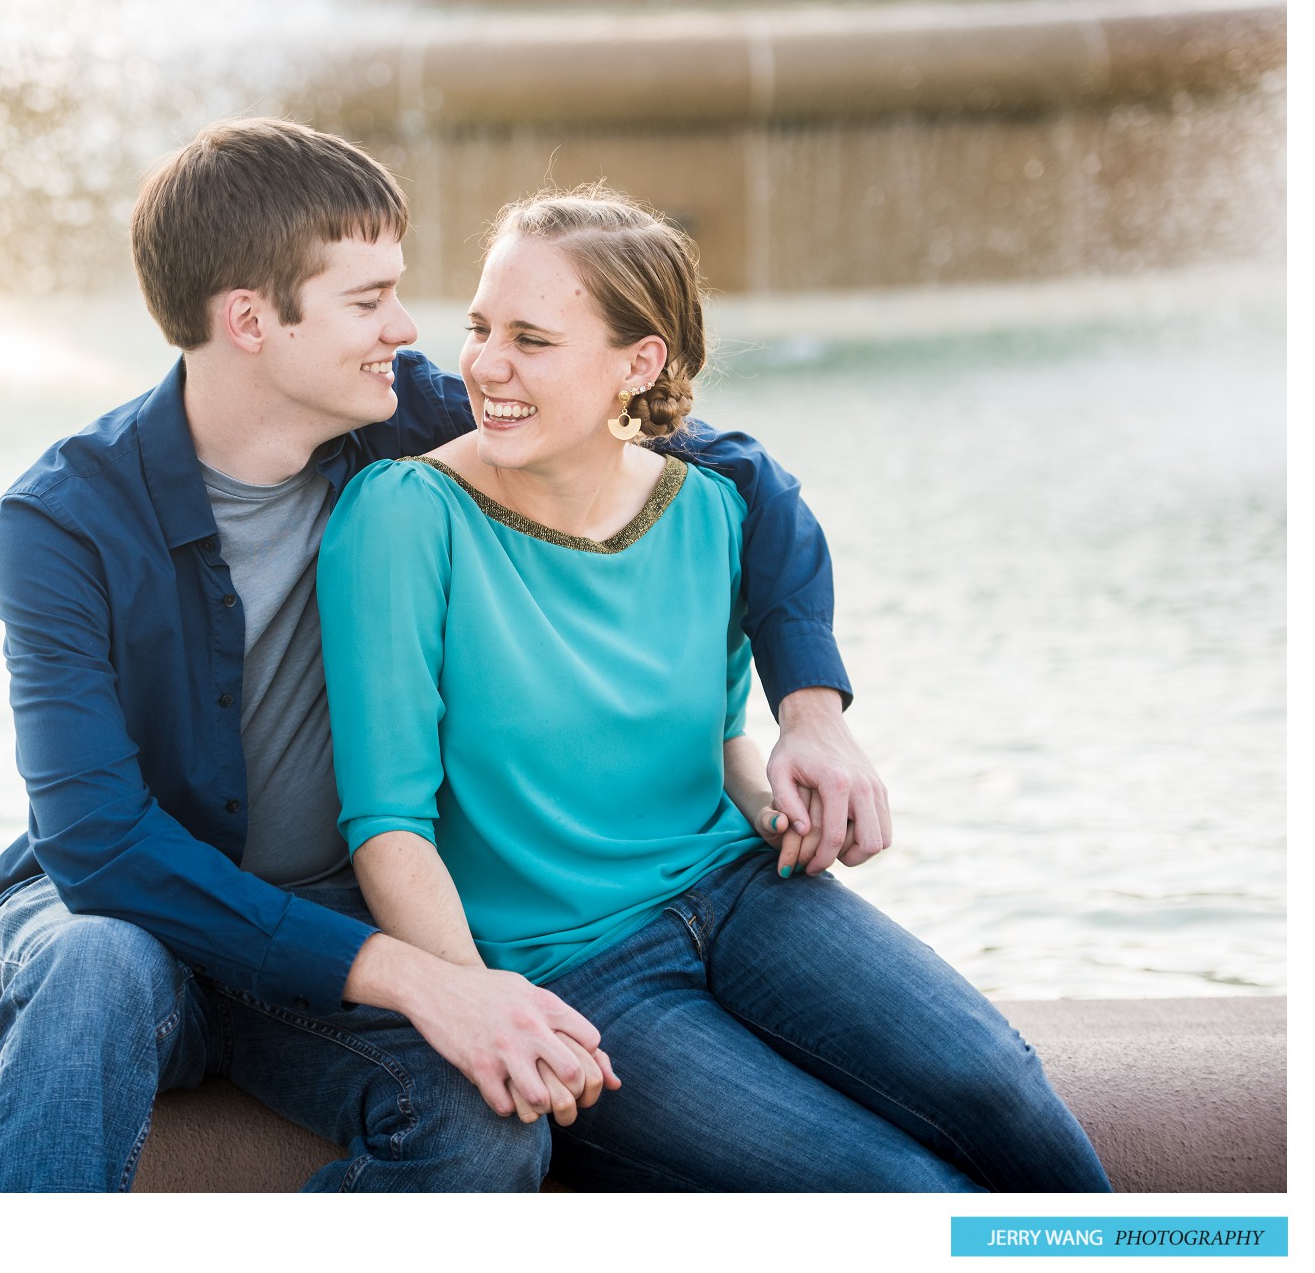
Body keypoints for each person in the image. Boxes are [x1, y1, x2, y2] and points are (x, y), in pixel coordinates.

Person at [0, 119, 887, 1192]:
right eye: (368, 301)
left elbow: (738, 471)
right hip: (131, 919)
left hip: (320, 937)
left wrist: (810, 708)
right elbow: (101, 850)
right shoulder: (63, 520)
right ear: (251, 320)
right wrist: (422, 979)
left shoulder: (406, 418)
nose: (408, 329)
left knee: (490, 1126)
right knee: (95, 962)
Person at [315, 185, 1112, 1191]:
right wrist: (489, 1012)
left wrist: (774, 787)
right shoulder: (400, 515)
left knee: (1001, 1088)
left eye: (532, 338)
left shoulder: (710, 510)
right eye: (479, 328)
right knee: (889, 1188)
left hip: (745, 896)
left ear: (637, 364)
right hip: (570, 964)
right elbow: (386, 823)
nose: (485, 364)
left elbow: (711, 730)